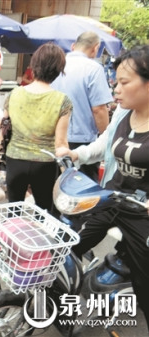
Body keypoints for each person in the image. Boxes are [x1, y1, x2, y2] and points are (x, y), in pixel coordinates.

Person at [56, 45, 149, 330]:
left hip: (141, 213)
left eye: (123, 82)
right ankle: (59, 309)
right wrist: (76, 154)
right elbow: (103, 145)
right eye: (115, 82)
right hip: (110, 199)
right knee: (65, 248)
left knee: (144, 287)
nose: (115, 89)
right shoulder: (123, 114)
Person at [0, 43, 72, 214]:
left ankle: (12, 240)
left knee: (13, 210)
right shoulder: (62, 101)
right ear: (58, 70)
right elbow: (61, 143)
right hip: (45, 165)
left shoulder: (14, 93)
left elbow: (4, 129)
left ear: (34, 66)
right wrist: (68, 170)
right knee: (45, 211)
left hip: (15, 160)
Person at [51, 31, 112, 182]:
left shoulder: (56, 65)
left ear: (73, 46)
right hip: (82, 140)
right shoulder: (93, 68)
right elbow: (99, 109)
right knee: (83, 190)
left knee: (57, 187)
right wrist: (107, 137)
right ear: (95, 48)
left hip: (53, 137)